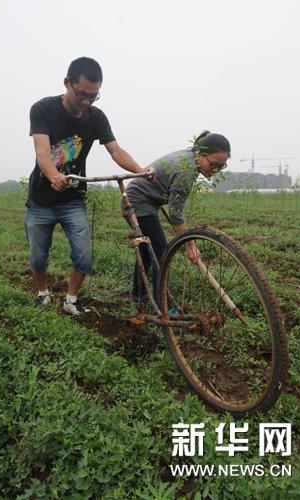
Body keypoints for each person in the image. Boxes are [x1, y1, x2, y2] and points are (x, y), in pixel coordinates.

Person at [25, 56, 150, 315]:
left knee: (84, 256)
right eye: (82, 94)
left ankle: (71, 299)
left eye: (94, 96)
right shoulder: (43, 109)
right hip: (40, 200)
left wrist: (140, 170)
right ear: (67, 83)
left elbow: (115, 150)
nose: (87, 102)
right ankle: (42, 292)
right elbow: (42, 152)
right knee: (38, 256)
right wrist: (53, 176)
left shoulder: (96, 117)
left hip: (73, 200)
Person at [124, 131, 231, 306]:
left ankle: (139, 295)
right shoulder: (186, 170)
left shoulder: (190, 156)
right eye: (213, 164)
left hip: (146, 200)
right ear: (201, 154)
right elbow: (175, 214)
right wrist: (190, 244)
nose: (216, 170)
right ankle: (164, 304)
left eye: (221, 166)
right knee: (162, 253)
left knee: (146, 248)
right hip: (138, 202)